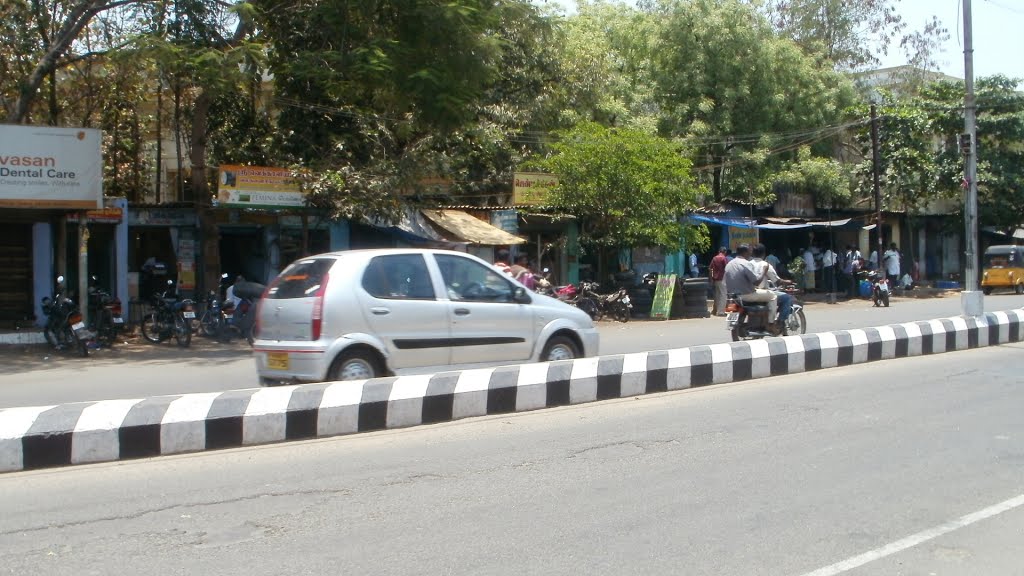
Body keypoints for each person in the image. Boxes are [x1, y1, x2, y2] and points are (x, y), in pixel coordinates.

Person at [725, 244, 772, 324]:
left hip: (732, 296)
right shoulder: (746, 263)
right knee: (773, 296)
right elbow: (756, 282)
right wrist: (764, 271)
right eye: (749, 252)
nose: (751, 254)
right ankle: (770, 323)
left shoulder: (729, 264)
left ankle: (733, 323)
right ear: (745, 252)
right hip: (747, 295)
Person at [751, 243, 794, 326]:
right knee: (787, 298)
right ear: (763, 254)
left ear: (753, 253)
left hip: (749, 291)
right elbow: (777, 281)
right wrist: (788, 281)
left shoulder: (748, 264)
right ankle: (778, 322)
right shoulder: (765, 264)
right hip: (761, 292)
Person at [709, 247, 729, 316]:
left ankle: (715, 310)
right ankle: (720, 312)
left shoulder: (714, 258)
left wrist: (711, 279)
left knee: (717, 295)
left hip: (715, 279)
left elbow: (710, 268)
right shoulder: (724, 258)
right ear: (725, 252)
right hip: (722, 279)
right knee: (723, 295)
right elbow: (727, 268)